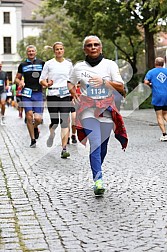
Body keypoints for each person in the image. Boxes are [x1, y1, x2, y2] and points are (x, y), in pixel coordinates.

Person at [68, 35, 128, 196]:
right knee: (95, 142)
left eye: (96, 45)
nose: (93, 47)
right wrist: (73, 91)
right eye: (89, 45)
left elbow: (121, 87)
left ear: (101, 47)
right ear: (84, 49)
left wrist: (104, 82)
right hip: (88, 110)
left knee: (102, 146)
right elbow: (70, 81)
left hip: (107, 109)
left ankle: (97, 169)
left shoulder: (110, 65)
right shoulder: (79, 67)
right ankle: (98, 180)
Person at [39, 41, 73, 158]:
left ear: (64, 50)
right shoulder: (49, 64)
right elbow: (41, 79)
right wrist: (47, 84)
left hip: (65, 95)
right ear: (54, 51)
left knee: (65, 122)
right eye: (57, 49)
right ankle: (52, 135)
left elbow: (72, 80)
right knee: (55, 122)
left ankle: (64, 149)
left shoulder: (68, 64)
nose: (59, 51)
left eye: (61, 49)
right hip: (52, 94)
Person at [14, 45, 45, 147]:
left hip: (38, 93)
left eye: (32, 51)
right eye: (29, 51)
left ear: (35, 52)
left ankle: (35, 127)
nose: (31, 53)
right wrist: (20, 83)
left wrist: (47, 82)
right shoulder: (22, 65)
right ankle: (32, 140)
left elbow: (46, 76)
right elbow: (16, 79)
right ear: (27, 53)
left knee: (38, 119)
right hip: (27, 93)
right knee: (29, 116)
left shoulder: (41, 63)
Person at [144, 57, 167, 142]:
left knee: (159, 115)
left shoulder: (151, 72)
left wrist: (151, 85)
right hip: (166, 95)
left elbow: (146, 82)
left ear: (155, 63)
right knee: (165, 114)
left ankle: (164, 134)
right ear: (163, 63)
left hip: (157, 96)